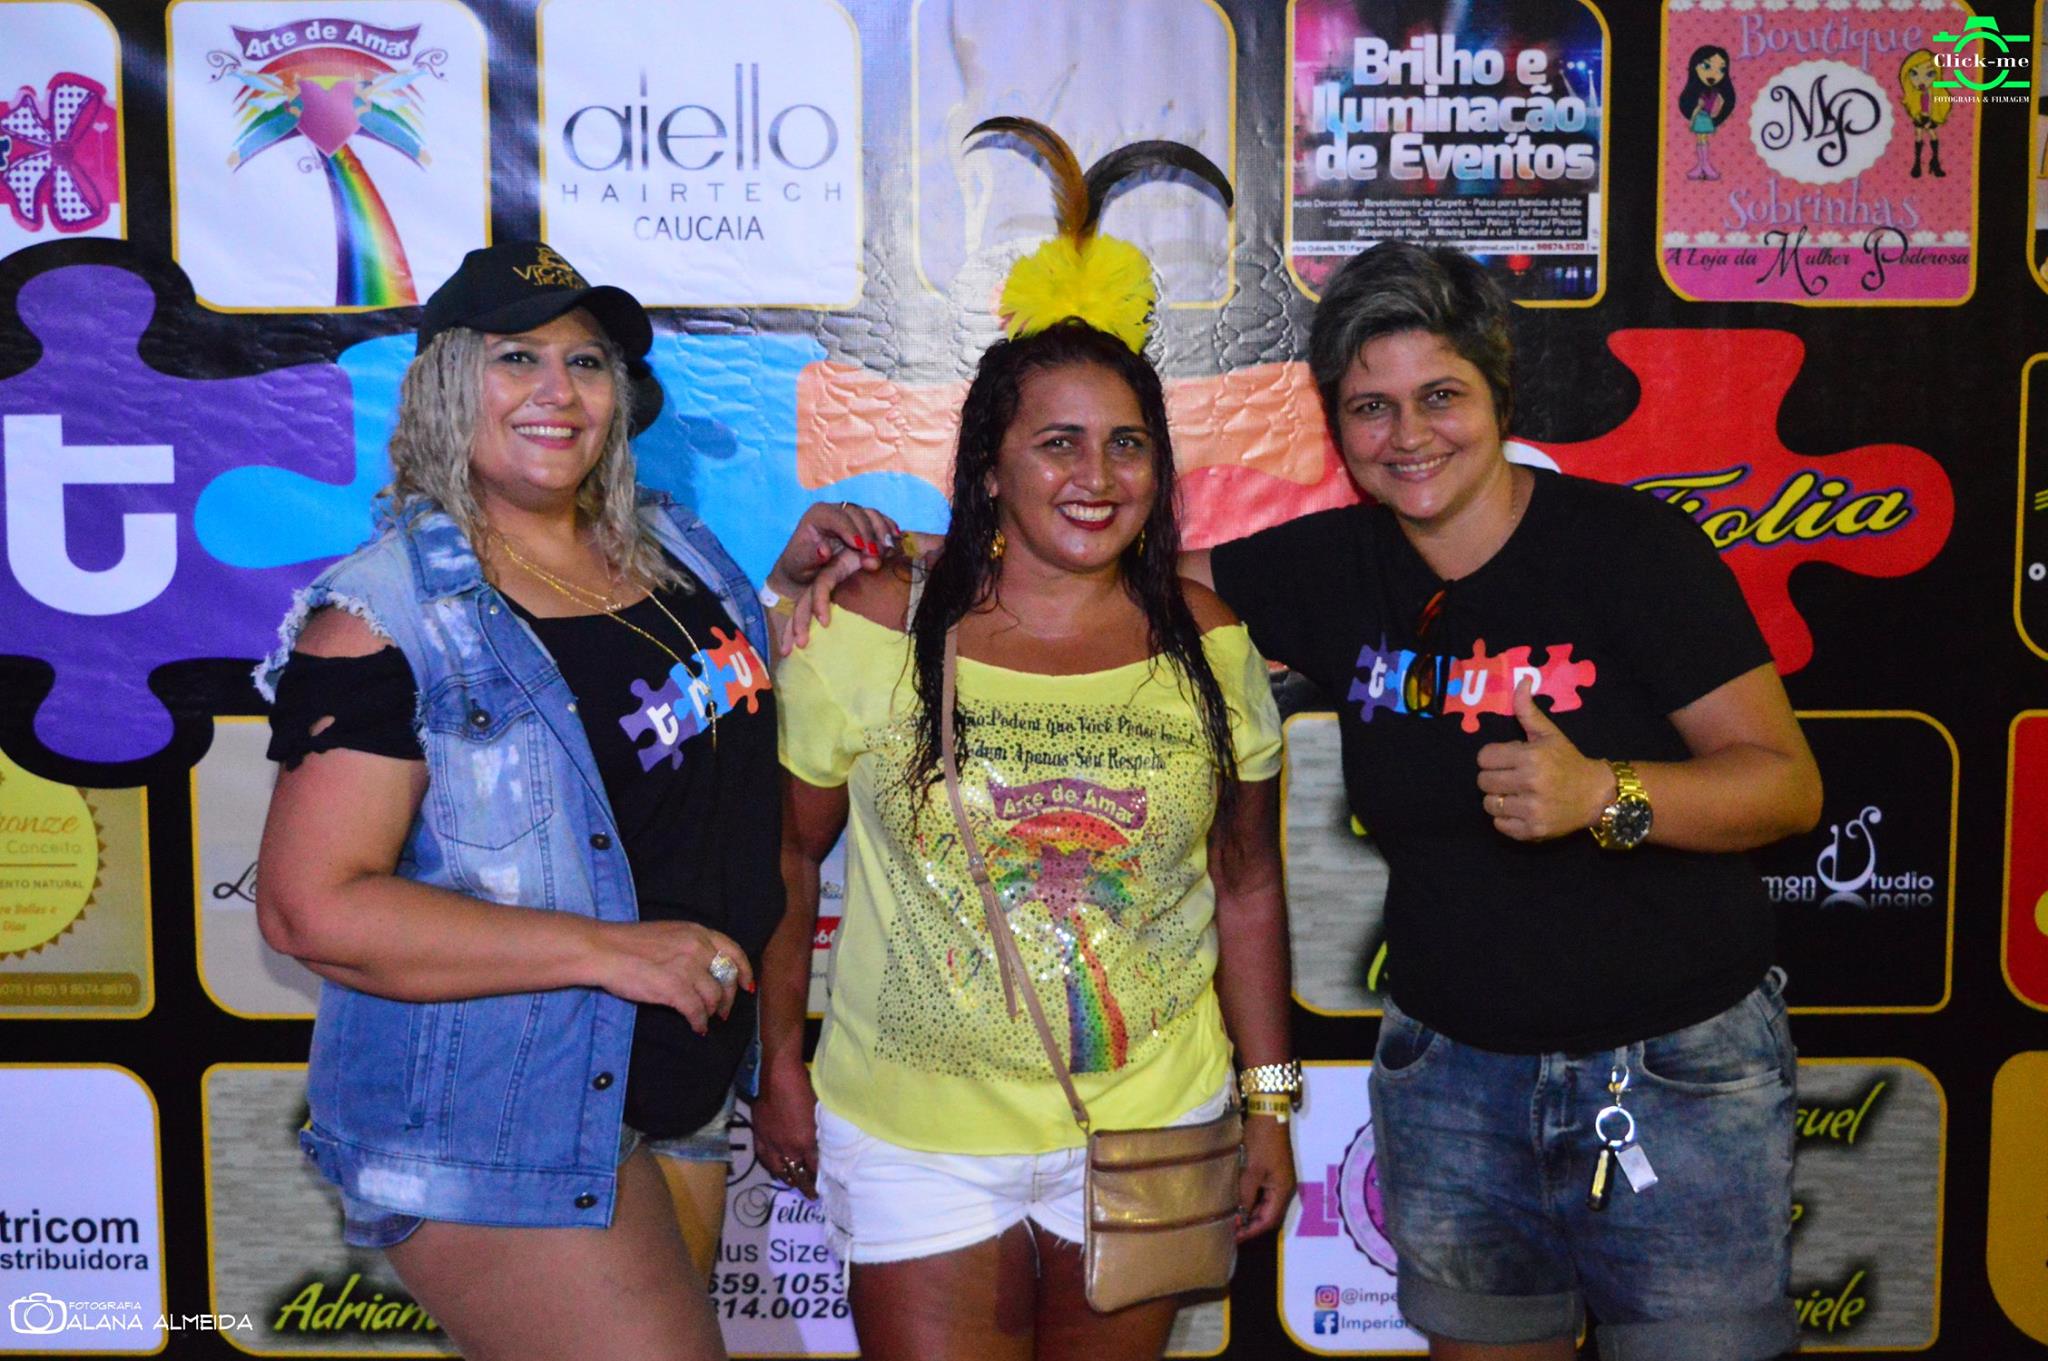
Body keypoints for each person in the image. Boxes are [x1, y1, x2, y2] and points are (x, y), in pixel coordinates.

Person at [1184, 242, 1823, 1360]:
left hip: (1673, 1074)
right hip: (1452, 1083)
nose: (1409, 434)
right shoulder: (1332, 566)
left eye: (1441, 395)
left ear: (1498, 396)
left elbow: (1784, 785)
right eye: (1371, 407)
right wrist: (916, 556)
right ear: (1336, 426)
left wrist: (1604, 793)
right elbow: (1111, 575)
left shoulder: (1629, 549)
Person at [252, 241, 887, 1361]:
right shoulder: (383, 618)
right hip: (504, 1115)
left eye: (585, 361)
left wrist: (782, 593)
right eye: (516, 357)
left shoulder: (674, 553)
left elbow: (657, 734)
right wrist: (613, 952)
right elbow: (310, 909)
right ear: (447, 385)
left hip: (678, 1087)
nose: (557, 388)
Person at [755, 320, 1298, 1361]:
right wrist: (778, 1060)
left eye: (1127, 443)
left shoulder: (1208, 639)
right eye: (1058, 443)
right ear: (990, 469)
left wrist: (1268, 1102)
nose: (1097, 475)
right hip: (917, 1135)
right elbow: (785, 857)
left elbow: (1247, 882)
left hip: (1150, 1122)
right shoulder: (876, 622)